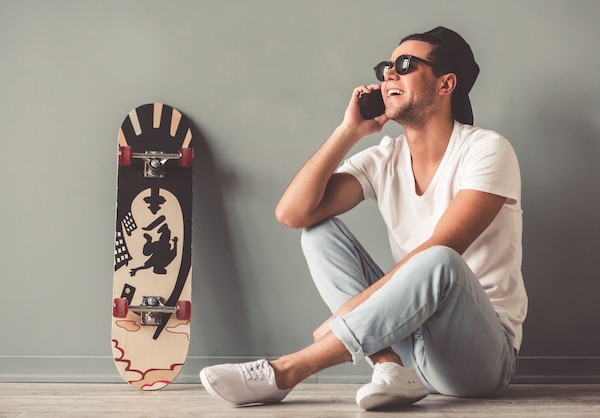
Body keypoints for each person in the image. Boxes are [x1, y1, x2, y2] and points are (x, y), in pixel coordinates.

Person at [199, 26, 528, 411]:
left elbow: (445, 246)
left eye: (405, 65)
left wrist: (347, 316)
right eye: (386, 66)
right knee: (317, 232)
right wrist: (350, 130)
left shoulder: (486, 150)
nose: (389, 74)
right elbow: (293, 213)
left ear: (446, 84)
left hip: (479, 360)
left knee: (440, 259)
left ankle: (285, 371)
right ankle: (391, 369)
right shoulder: (383, 157)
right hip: (411, 344)